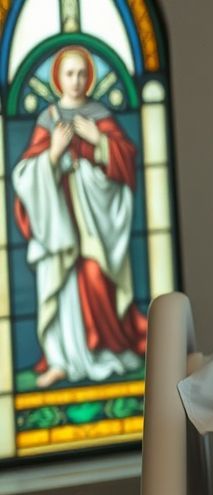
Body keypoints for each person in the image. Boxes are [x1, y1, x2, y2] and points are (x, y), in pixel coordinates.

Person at [12, 45, 145, 389]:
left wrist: (99, 140)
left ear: (90, 77)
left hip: (95, 225)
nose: (76, 80)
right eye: (69, 74)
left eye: (82, 73)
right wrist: (53, 156)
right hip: (59, 226)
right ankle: (60, 360)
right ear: (58, 79)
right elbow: (25, 176)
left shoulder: (99, 115)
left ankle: (105, 352)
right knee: (62, 284)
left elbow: (125, 160)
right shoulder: (47, 121)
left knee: (96, 277)